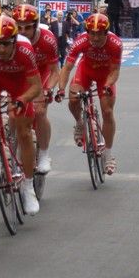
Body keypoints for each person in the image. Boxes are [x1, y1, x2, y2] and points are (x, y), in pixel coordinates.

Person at [0, 15, 42, 214]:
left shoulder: (25, 50)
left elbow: (36, 86)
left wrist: (22, 99)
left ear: (14, 41)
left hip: (21, 84)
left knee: (24, 132)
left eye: (6, 44)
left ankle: (28, 187)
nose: (0, 49)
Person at [57, 13, 122, 175]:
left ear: (106, 33)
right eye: (91, 33)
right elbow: (67, 67)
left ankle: (108, 154)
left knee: (107, 111)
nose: (94, 37)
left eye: (99, 34)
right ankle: (79, 122)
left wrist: (107, 85)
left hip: (105, 76)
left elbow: (115, 71)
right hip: (86, 71)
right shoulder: (81, 40)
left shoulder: (115, 44)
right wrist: (61, 89)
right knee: (73, 99)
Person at [13, 4, 60, 175]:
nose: (22, 31)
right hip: (20, 75)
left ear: (35, 25)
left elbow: (55, 71)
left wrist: (49, 89)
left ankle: (44, 154)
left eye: (27, 27)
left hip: (42, 75)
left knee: (39, 111)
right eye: (19, 27)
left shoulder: (47, 39)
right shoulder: (10, 38)